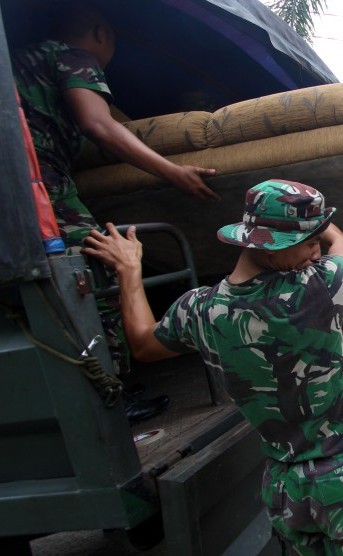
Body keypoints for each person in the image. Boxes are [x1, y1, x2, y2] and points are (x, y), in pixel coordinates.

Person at [82, 179, 343, 554]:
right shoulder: (320, 287)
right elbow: (342, 245)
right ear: (269, 247)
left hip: (284, 488)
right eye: (309, 243)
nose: (316, 253)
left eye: (316, 241)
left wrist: (129, 270)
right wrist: (320, 220)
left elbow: (143, 343)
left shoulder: (201, 311)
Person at [13, 2, 217, 421]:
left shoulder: (22, 61)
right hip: (32, 181)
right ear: (101, 33)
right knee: (96, 267)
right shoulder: (72, 55)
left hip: (16, 186)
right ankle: (111, 396)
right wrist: (173, 172)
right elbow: (99, 126)